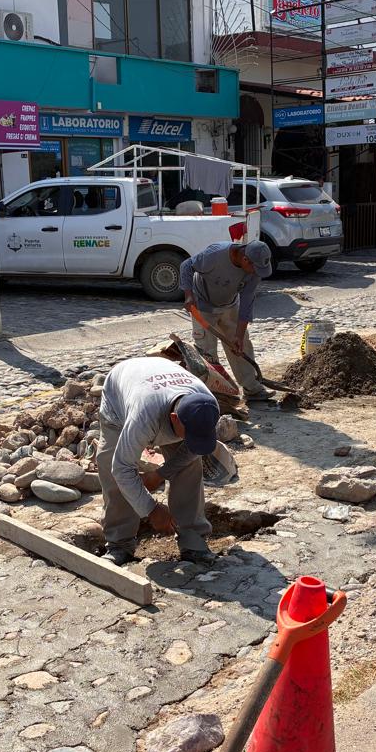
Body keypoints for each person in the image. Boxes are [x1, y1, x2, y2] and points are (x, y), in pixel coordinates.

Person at [97, 357, 221, 567]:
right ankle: (120, 544)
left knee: (190, 468)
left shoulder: (207, 406)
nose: (194, 441)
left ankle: (192, 541)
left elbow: (192, 450)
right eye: (189, 435)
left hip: (160, 385)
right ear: (174, 418)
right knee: (113, 470)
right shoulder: (142, 416)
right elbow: (122, 468)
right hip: (121, 397)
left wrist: (160, 474)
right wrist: (151, 509)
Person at [180, 240, 274, 402]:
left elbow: (247, 302)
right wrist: (189, 295)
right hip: (202, 305)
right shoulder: (214, 255)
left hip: (230, 304)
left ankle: (252, 388)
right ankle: (212, 394)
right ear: (245, 260)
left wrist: (238, 334)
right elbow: (186, 266)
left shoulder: (254, 271)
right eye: (255, 268)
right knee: (206, 351)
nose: (257, 273)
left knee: (241, 344)